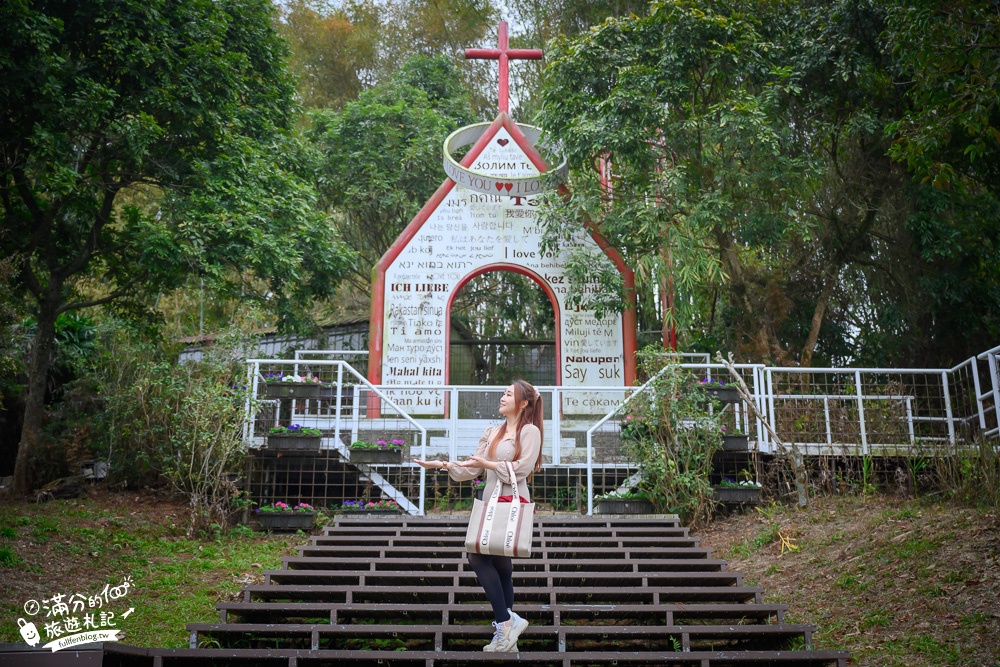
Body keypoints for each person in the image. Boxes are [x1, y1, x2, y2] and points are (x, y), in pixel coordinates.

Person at [414, 379, 544, 653]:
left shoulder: (529, 431)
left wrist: (488, 463)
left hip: (510, 501)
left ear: (523, 403)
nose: (503, 396)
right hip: (490, 502)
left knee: (479, 556)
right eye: (504, 392)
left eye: (509, 393)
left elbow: (522, 469)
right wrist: (443, 465)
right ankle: (508, 630)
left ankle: (505, 624)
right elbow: (472, 468)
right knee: (499, 565)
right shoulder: (492, 431)